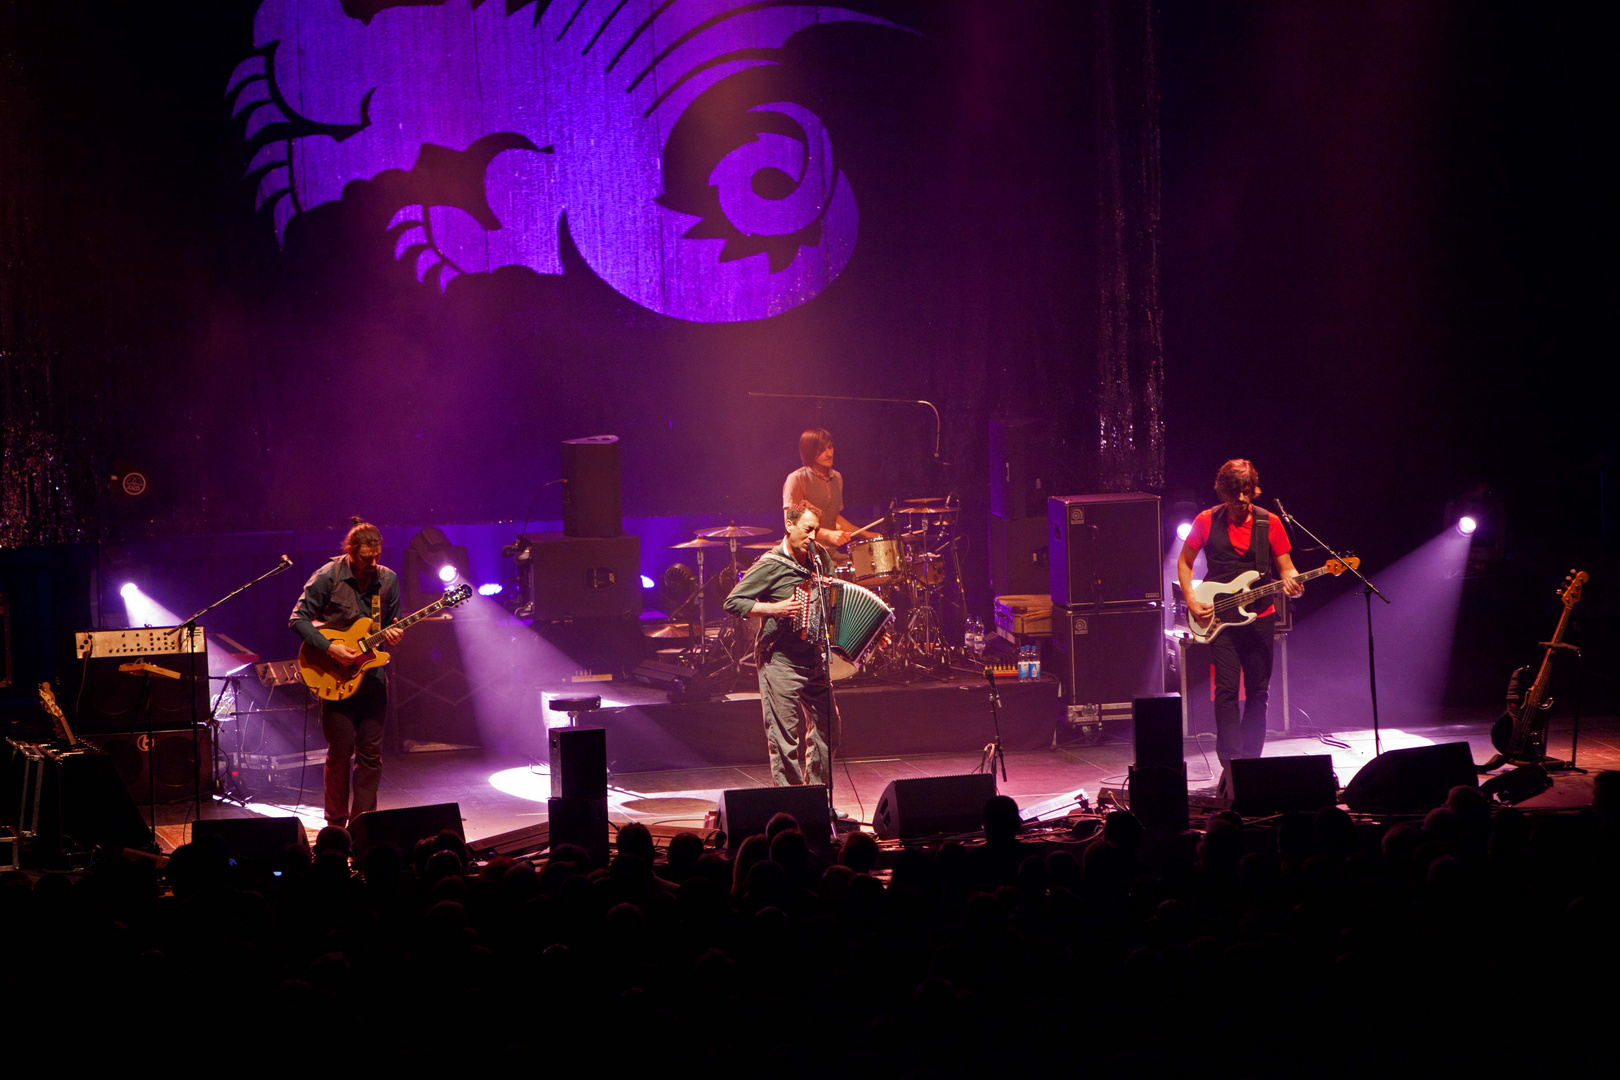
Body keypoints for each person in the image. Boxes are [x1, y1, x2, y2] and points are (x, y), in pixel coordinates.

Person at [1177, 459, 1303, 770]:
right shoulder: (1206, 521)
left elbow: (1288, 570)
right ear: (1223, 492)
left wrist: (1294, 585)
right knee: (1227, 689)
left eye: (1247, 493)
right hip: (1220, 621)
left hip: (1259, 618)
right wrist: (1192, 601)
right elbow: (1184, 562)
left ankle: (1252, 761)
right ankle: (1231, 763)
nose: (1242, 500)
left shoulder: (1269, 522)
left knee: (1259, 691)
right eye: (1235, 495)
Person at [290, 518, 403, 827]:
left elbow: (392, 623)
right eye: (366, 558)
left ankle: (364, 826)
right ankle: (337, 827)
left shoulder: (388, 580)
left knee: (370, 757)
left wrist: (395, 633)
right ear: (351, 552)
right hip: (335, 676)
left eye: (377, 557)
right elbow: (297, 619)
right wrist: (330, 648)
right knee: (340, 754)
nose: (373, 563)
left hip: (373, 680)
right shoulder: (329, 576)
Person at [724, 501, 839, 786]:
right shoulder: (770, 565)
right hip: (780, 661)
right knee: (785, 739)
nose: (812, 536)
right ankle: (793, 806)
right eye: (807, 529)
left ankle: (816, 796)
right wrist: (773, 609)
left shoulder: (821, 558)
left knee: (829, 727)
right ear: (789, 525)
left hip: (813, 658)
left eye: (816, 530)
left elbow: (835, 603)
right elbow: (733, 602)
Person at [781, 427, 877, 552]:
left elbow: (834, 518)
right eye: (822, 450)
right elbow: (791, 523)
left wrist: (866, 534)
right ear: (809, 452)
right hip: (803, 555)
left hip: (828, 553)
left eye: (830, 447)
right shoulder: (797, 479)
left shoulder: (837, 477)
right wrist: (828, 534)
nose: (829, 454)